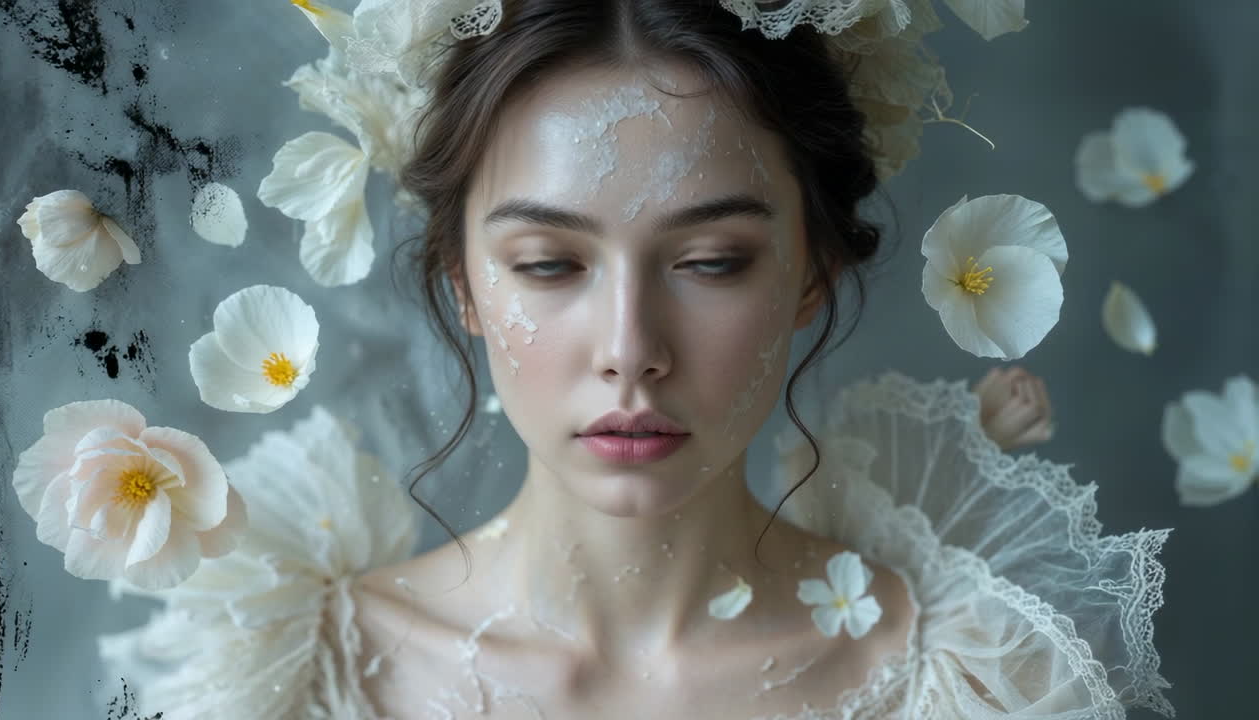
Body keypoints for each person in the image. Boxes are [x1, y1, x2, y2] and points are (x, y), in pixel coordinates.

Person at [99, 1, 1175, 718]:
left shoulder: (976, 681)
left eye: (710, 262)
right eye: (548, 264)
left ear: (811, 271)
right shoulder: (287, 679)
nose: (629, 352)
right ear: (463, 282)